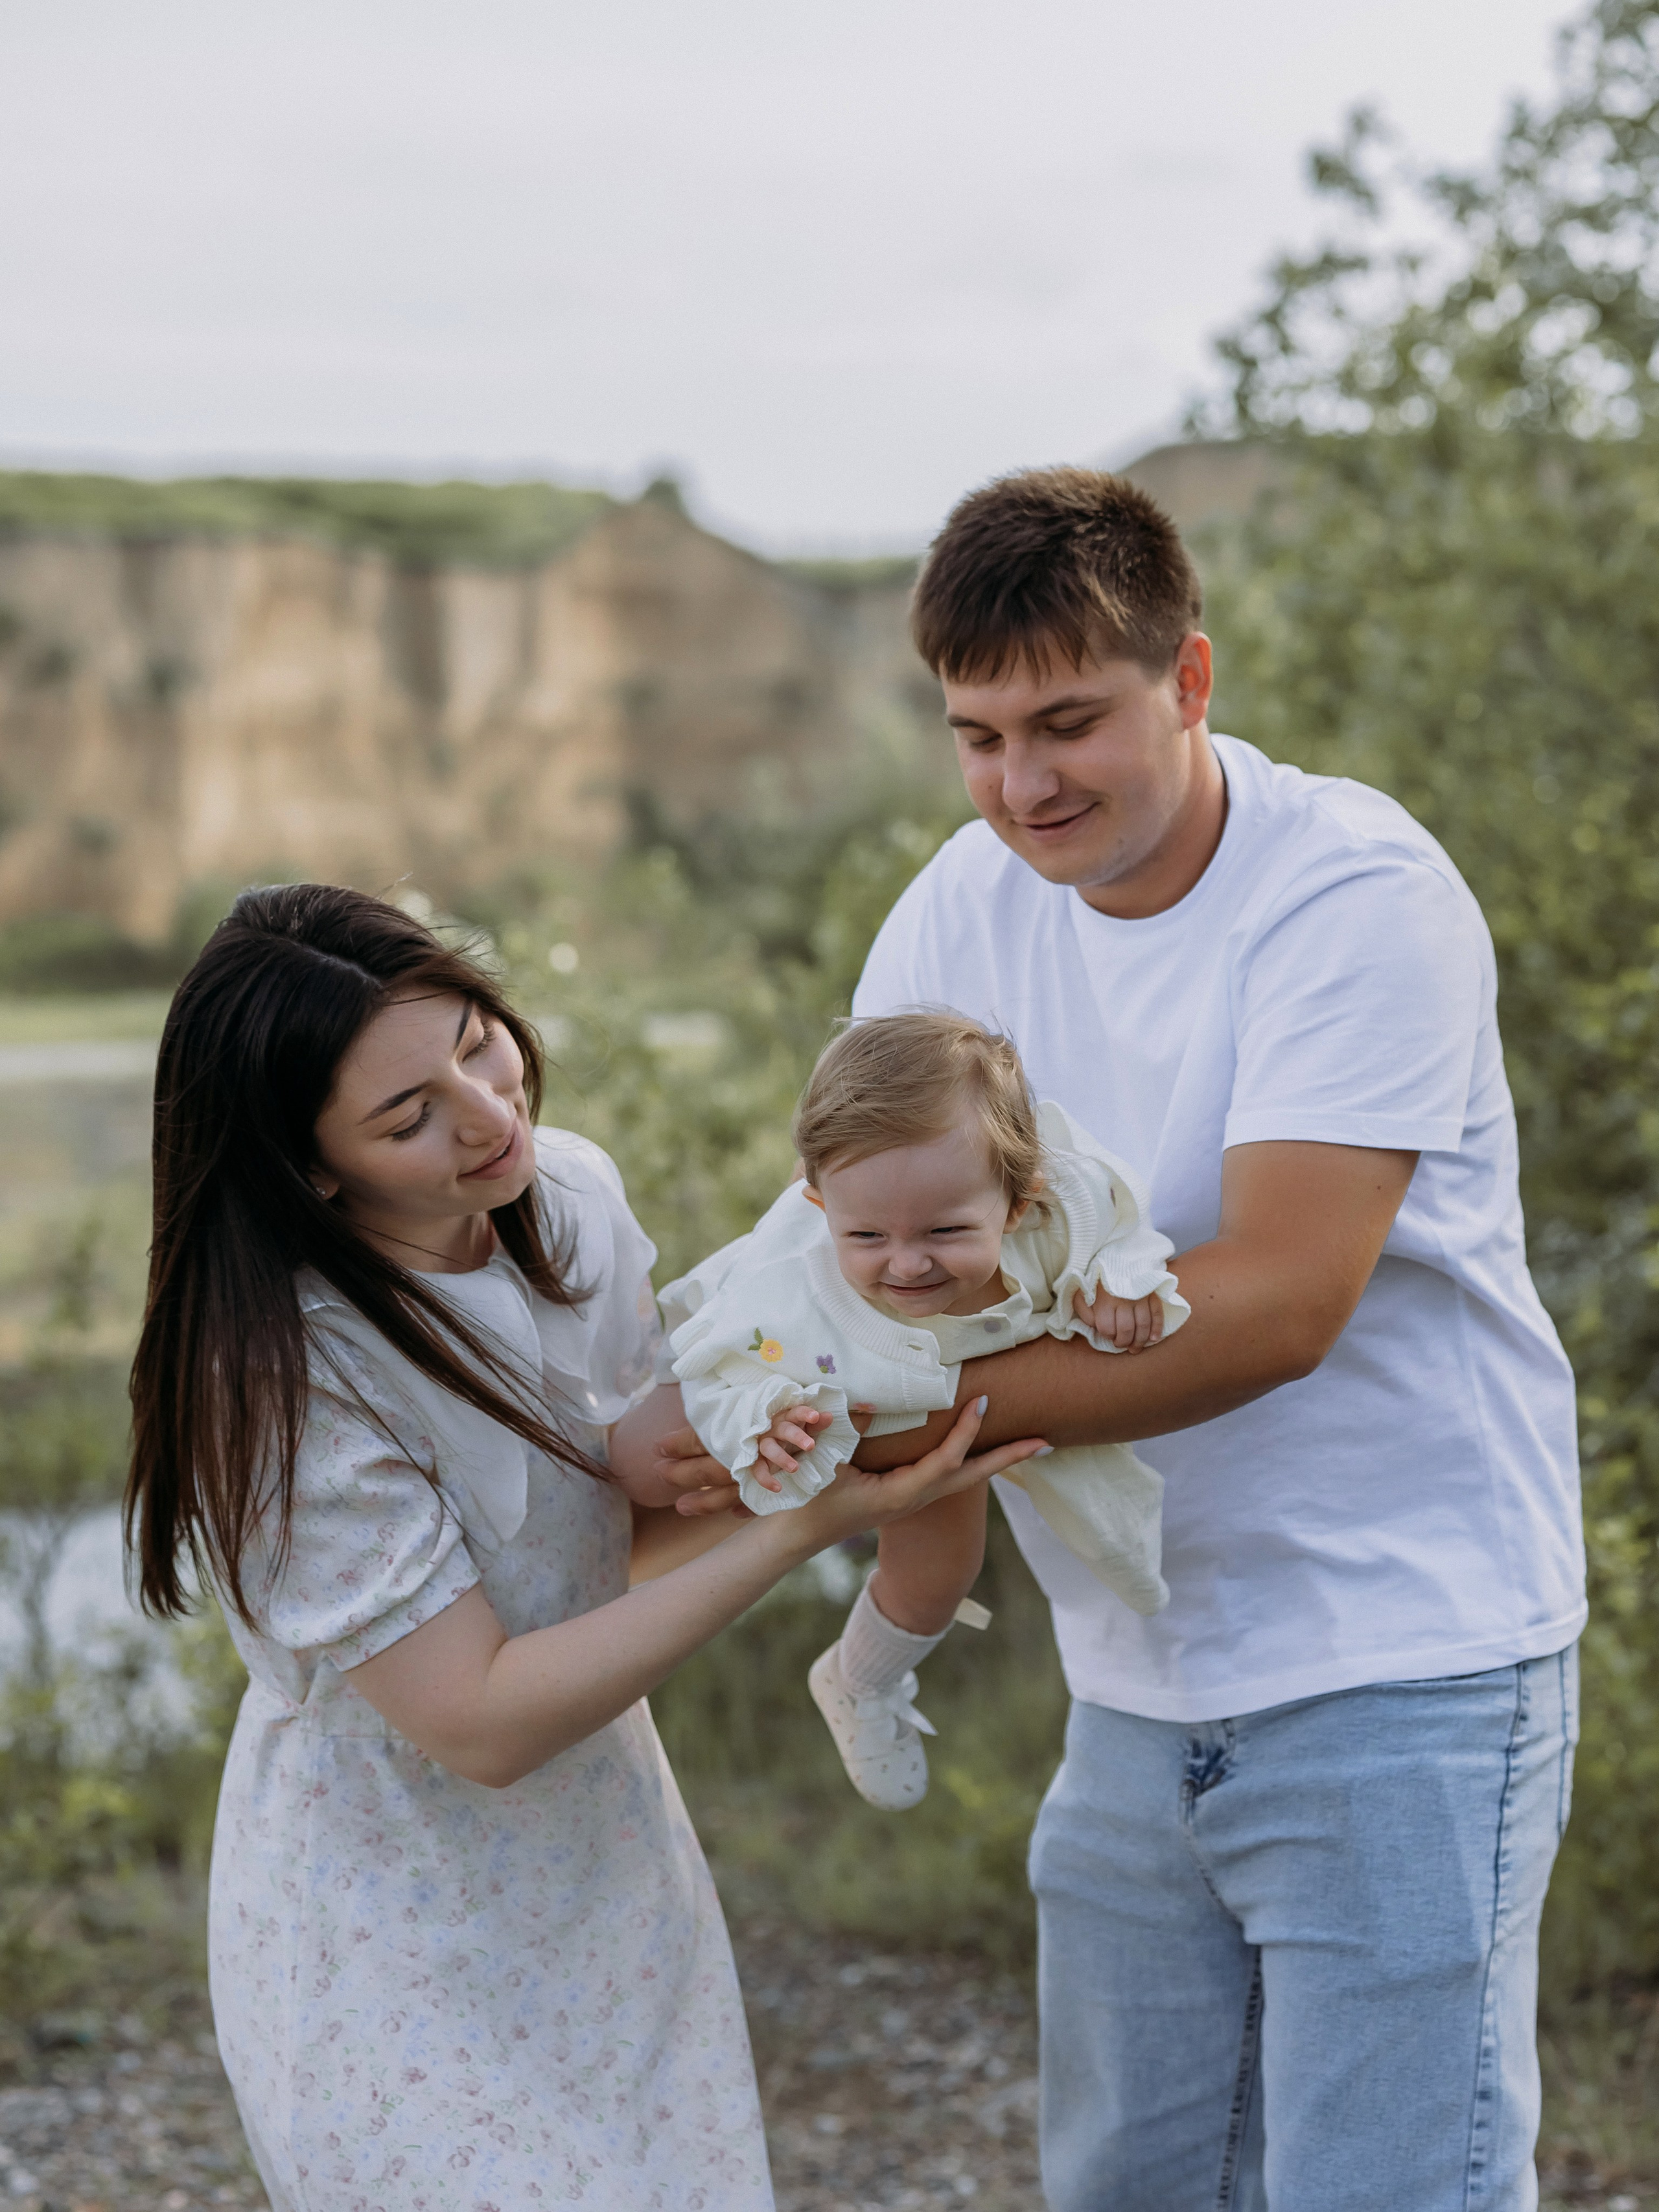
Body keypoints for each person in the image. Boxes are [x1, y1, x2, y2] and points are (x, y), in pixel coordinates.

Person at [779, 467, 1583, 2210]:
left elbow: (1284, 1299)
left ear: (1192, 679)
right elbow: (856, 1234)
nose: (1022, 785)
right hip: (1137, 1676)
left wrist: (897, 1390)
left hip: (1403, 1656)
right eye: (978, 737)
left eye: (1069, 722)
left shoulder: (1356, 892)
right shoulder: (958, 911)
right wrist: (760, 1392)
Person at [123, 883, 1043, 2212]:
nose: (491, 1114)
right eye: (408, 1114)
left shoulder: (573, 1199)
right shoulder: (277, 1371)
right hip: (387, 1910)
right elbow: (481, 1719)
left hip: (606, 1869)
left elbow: (605, 1556)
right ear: (314, 1165)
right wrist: (807, 1524)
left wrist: (781, 1450)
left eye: (478, 1043)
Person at [660, 1009, 1187, 1810]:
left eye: (945, 1230)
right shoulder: (793, 1287)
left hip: (972, 1381)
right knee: (937, 1573)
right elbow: (712, 1361)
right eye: (866, 1232)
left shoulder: (1063, 1205)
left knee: (1009, 1549)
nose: (906, 1262)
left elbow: (1123, 1227)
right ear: (817, 1200)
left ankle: (860, 1673)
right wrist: (760, 1420)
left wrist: (1121, 1280)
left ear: (1018, 1201)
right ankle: (860, 1679)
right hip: (876, 1386)